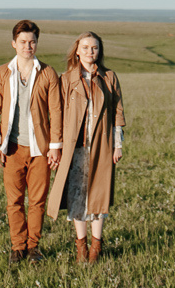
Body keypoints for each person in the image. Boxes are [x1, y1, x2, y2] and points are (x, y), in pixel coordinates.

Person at [0, 19, 62, 263]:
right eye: (23, 42)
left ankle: (33, 248)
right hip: (12, 148)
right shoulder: (2, 73)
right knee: (14, 201)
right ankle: (17, 248)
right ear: (13, 44)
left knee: (37, 201)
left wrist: (55, 147)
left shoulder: (48, 73)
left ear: (37, 44)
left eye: (32, 42)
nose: (28, 46)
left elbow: (56, 111)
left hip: (40, 149)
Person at [47, 31, 125, 263]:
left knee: (98, 194)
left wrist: (118, 144)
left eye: (95, 48)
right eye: (86, 47)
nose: (90, 52)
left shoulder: (109, 77)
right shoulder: (67, 79)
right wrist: (57, 146)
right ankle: (81, 246)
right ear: (77, 51)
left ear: (99, 51)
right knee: (77, 194)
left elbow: (118, 113)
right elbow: (57, 115)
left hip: (101, 145)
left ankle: (96, 247)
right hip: (75, 147)